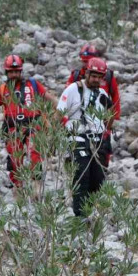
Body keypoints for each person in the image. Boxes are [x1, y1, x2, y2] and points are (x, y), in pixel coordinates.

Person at [0, 54, 57, 188]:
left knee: (35, 153)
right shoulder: (2, 89)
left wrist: (62, 113)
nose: (14, 74)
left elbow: (50, 98)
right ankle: (18, 191)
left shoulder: (33, 84)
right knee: (14, 160)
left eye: (16, 71)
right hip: (12, 129)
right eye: (11, 72)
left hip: (33, 125)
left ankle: (36, 189)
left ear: (21, 71)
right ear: (7, 72)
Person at [57, 57, 114, 216]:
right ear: (87, 73)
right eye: (93, 76)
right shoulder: (72, 90)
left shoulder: (102, 94)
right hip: (78, 140)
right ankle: (80, 216)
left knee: (98, 180)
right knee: (81, 178)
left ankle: (88, 211)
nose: (96, 80)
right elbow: (59, 113)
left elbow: (110, 114)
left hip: (97, 142)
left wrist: (107, 131)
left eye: (99, 77)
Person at [68, 43, 121, 164]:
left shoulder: (107, 75)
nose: (87, 64)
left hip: (101, 115)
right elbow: (68, 98)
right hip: (80, 118)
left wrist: (113, 118)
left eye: (88, 61)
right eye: (84, 62)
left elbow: (115, 96)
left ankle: (102, 167)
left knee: (103, 146)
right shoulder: (76, 75)